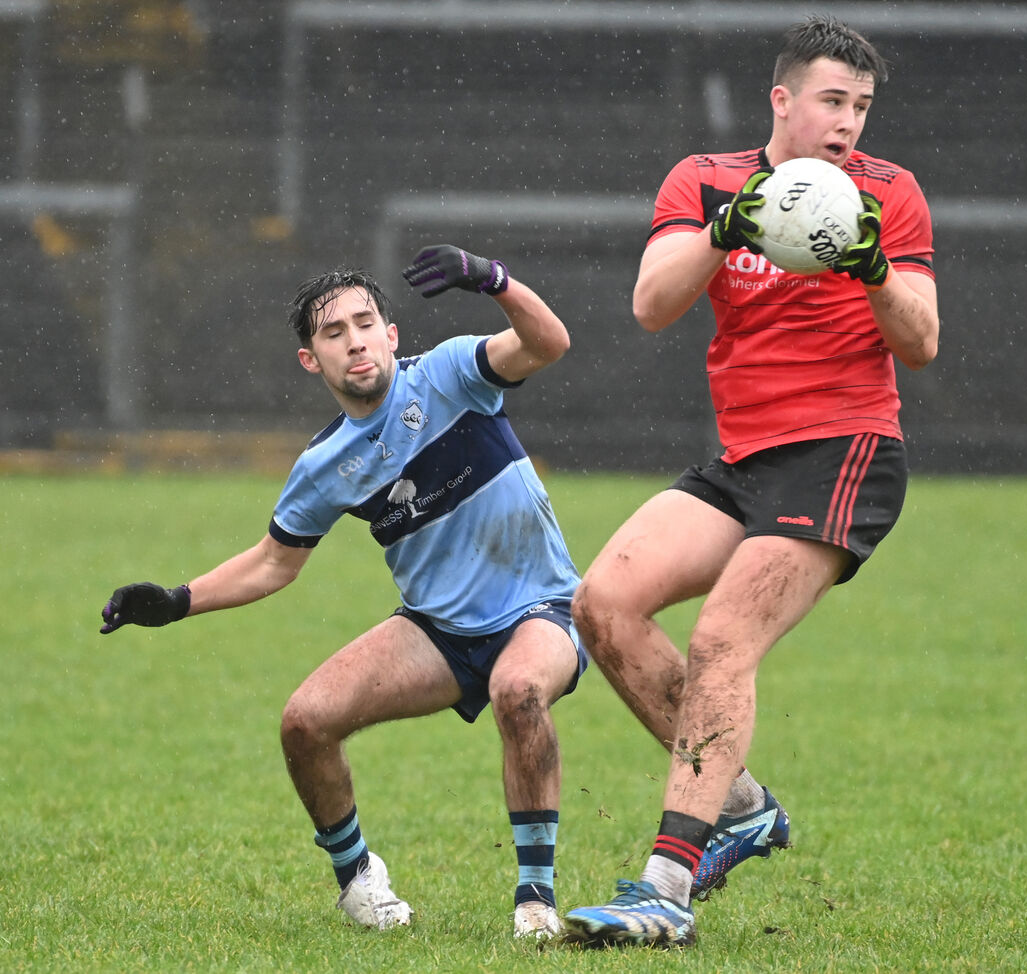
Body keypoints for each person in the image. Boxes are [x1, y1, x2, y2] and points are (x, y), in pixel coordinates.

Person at [564, 15, 938, 948]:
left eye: (861, 106)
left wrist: (873, 267)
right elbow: (652, 305)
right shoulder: (704, 179)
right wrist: (729, 224)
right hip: (743, 461)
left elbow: (922, 341)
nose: (848, 123)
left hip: (844, 448)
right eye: (831, 101)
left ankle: (665, 888)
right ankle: (739, 808)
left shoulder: (889, 194)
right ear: (782, 100)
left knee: (726, 634)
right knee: (603, 602)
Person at [99, 245, 587, 941]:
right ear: (311, 360)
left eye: (365, 323)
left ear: (391, 334)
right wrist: (177, 601)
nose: (354, 340)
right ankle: (358, 879)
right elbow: (274, 563)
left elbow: (550, 342)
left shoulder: (450, 373)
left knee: (519, 690)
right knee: (305, 721)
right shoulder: (325, 464)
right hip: (439, 630)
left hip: (541, 607)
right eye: (334, 333)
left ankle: (535, 900)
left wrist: (493, 280)